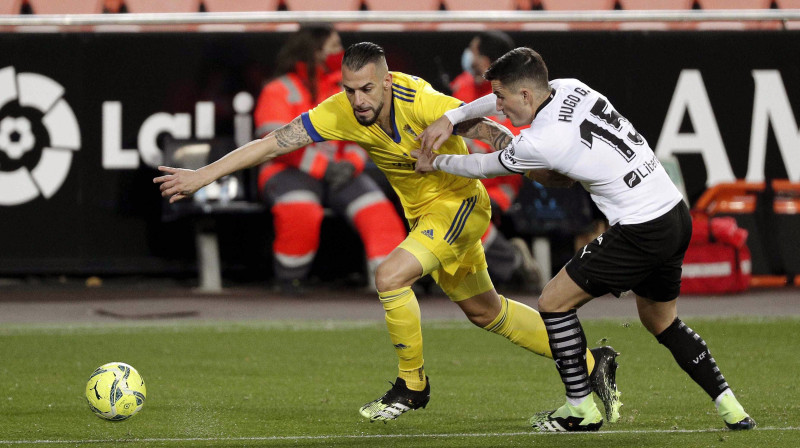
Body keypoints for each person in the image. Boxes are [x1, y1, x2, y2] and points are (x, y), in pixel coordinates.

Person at [154, 42, 620, 424]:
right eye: (350, 89)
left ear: (388, 81)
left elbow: (487, 129)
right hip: (426, 218)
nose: (358, 100)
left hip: (459, 205)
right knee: (486, 312)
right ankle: (593, 364)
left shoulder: (421, 102)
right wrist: (202, 176)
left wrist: (539, 166)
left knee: (390, 276)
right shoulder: (341, 111)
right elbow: (272, 143)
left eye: (368, 89)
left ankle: (412, 385)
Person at [413, 47, 755, 432]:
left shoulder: (542, 141)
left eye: (503, 98)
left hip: (640, 228)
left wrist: (434, 162)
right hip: (673, 213)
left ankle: (580, 409)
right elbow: (499, 114)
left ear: (525, 95)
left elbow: (480, 166)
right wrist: (452, 116)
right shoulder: (570, 87)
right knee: (662, 321)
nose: (498, 106)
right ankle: (732, 407)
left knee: (553, 302)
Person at [253, 25, 406, 293]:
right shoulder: (278, 89)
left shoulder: (344, 87)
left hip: (340, 171)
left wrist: (352, 163)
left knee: (378, 211)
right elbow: (276, 144)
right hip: (286, 170)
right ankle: (290, 280)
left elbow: (365, 134)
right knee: (300, 210)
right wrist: (325, 167)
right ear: (314, 51)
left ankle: (395, 283)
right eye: (335, 46)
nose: (341, 52)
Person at [452, 31, 541, 292]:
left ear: (486, 61)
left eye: (474, 51)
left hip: (500, 186)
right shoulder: (462, 85)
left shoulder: (519, 96)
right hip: (463, 176)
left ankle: (512, 262)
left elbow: (515, 152)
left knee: (458, 211)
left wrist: (470, 145)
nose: (469, 56)